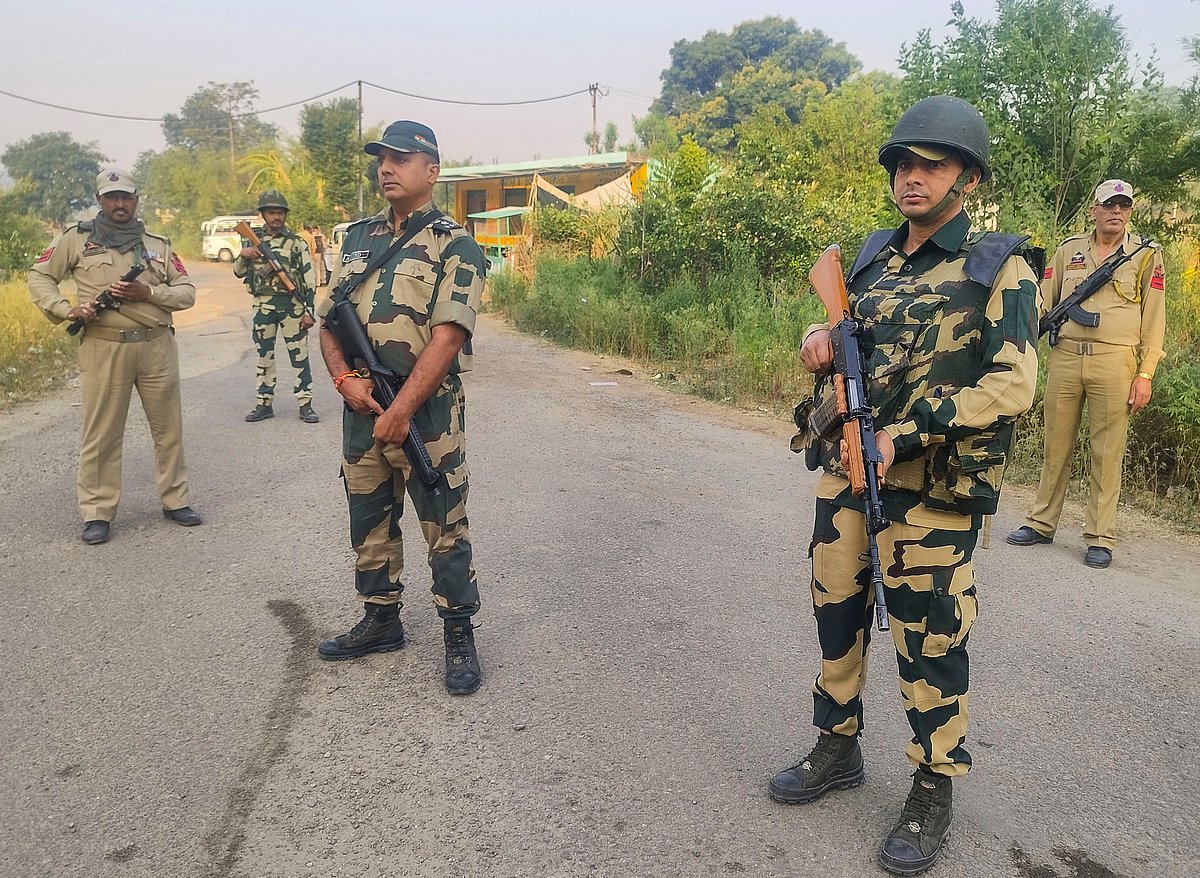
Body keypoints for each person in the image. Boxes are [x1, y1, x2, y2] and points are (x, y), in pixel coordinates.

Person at [772, 96, 1040, 875]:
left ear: (968, 178)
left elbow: (1014, 384)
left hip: (932, 490)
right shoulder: (872, 259)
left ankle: (932, 787)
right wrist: (818, 338)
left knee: (931, 638)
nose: (911, 177)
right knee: (836, 611)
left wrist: (907, 432)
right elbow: (844, 332)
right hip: (846, 476)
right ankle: (836, 747)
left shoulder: (998, 266)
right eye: (901, 164)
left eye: (932, 164)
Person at [315, 120, 487, 696]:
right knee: (368, 517)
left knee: (444, 523)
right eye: (381, 159)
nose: (386, 168)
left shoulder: (454, 245)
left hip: (426, 416)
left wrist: (402, 410)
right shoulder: (355, 239)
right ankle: (381, 620)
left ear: (431, 171)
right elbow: (329, 320)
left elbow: (449, 336)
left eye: (401, 159)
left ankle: (458, 632)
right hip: (362, 407)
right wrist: (342, 378)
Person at [27, 168, 202, 545]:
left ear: (136, 201)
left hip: (156, 346)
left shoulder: (157, 244)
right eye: (112, 197)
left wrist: (149, 294)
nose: (120, 204)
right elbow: (39, 276)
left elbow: (186, 291)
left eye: (126, 197)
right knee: (101, 434)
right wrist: (66, 309)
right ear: (99, 201)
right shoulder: (76, 239)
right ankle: (97, 512)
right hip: (104, 346)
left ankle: (176, 500)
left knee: (169, 430)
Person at [1007, 179, 1166, 570]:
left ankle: (1099, 536)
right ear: (1094, 210)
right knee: (1055, 446)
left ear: (1130, 211)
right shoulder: (1069, 250)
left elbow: (1154, 318)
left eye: (1123, 206)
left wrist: (1145, 373)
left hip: (1115, 362)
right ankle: (1041, 522)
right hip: (1065, 357)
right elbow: (1045, 298)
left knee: (1107, 452)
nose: (1116, 212)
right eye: (1109, 205)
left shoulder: (1145, 255)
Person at [233, 190, 319, 424]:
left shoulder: (296, 243)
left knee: (299, 356)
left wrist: (309, 311)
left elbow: (309, 280)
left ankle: (305, 403)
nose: (277, 217)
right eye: (271, 212)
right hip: (263, 306)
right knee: (264, 356)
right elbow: (238, 272)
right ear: (263, 214)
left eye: (280, 213)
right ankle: (264, 403)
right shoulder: (252, 240)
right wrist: (244, 255)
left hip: (292, 307)